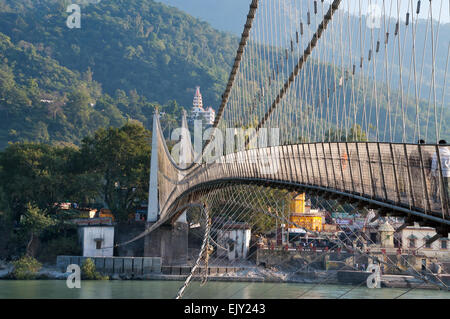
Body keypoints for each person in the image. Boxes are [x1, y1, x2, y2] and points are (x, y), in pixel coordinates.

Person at [431, 140, 450, 209]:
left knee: (441, 189)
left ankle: (444, 204)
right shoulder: (448, 152)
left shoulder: (437, 153)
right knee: (447, 188)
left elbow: (434, 164)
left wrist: (433, 173)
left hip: (439, 173)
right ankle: (448, 202)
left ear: (440, 145)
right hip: (448, 173)